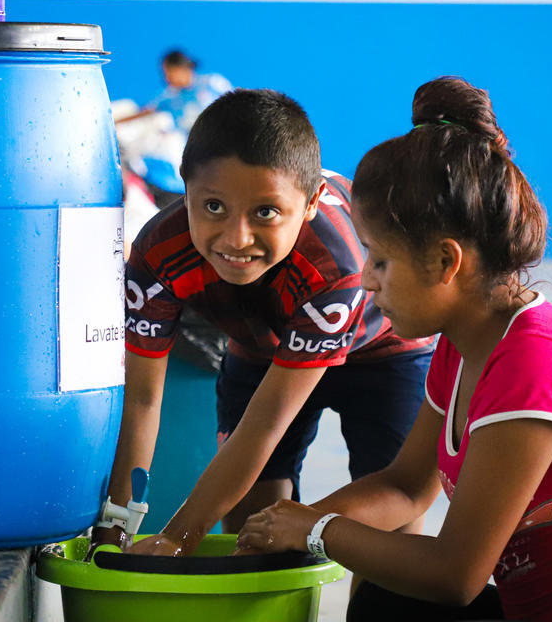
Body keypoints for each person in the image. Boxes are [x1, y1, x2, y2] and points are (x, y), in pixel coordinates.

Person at [236, 77, 552, 621]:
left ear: (445, 263)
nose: (365, 281)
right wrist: (291, 521)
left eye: (380, 260)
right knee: (388, 602)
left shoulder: (534, 363)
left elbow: (454, 575)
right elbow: (406, 488)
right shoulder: (461, 348)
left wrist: (317, 530)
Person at [94, 88, 436, 556]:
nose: (237, 238)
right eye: (213, 206)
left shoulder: (336, 265)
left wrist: (178, 537)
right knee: (253, 532)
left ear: (312, 201)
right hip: (262, 349)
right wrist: (115, 528)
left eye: (266, 212)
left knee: (388, 539)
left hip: (385, 352)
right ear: (185, 184)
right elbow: (142, 399)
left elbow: (265, 425)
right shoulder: (158, 253)